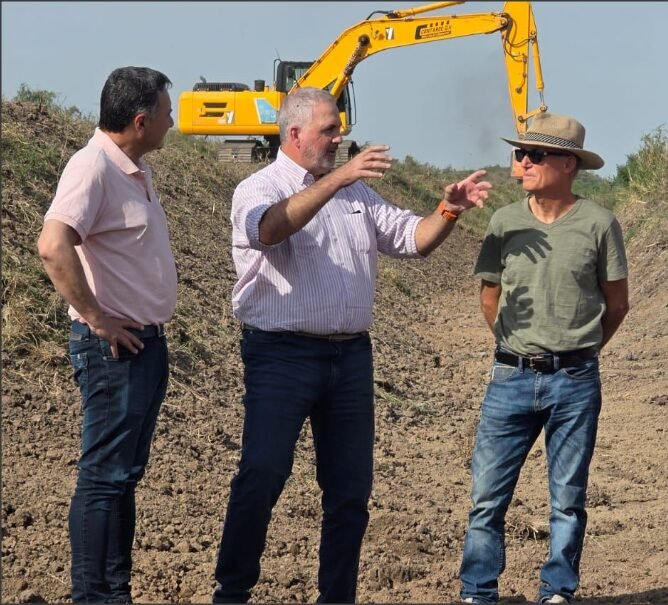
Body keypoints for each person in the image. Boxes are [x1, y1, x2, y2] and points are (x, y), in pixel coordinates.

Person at [212, 86, 491, 604]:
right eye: (329, 130)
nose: (339, 138)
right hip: (280, 356)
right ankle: (232, 592)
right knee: (262, 475)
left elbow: (411, 239)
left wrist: (448, 211)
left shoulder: (356, 194)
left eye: (338, 129)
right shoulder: (258, 187)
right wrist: (339, 176)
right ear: (294, 134)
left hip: (350, 358)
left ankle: (336, 598)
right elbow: (269, 230)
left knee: (349, 494)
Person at [458, 113, 630, 605]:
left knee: (568, 499)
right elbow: (489, 299)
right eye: (520, 153)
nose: (524, 162)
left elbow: (616, 304)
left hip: (575, 379)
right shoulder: (504, 223)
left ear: (569, 164)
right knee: (487, 498)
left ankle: (558, 591)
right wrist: (519, 346)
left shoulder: (599, 224)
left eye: (536, 154)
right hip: (509, 376)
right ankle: (477, 591)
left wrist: (581, 348)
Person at [36, 66, 176, 603]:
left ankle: (113, 593)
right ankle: (94, 597)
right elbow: (54, 245)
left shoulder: (133, 169)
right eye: (166, 112)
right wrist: (97, 317)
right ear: (140, 121)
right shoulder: (92, 167)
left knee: (122, 477)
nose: (173, 120)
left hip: (141, 346)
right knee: (103, 478)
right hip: (112, 350)